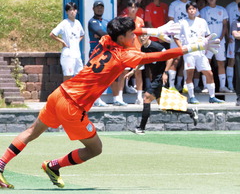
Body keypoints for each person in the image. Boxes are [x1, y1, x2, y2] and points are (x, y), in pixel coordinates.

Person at [0, 16, 218, 189]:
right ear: (122, 37)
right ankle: (53, 165)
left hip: (60, 94)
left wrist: (154, 31)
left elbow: (129, 33)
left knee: (32, 131)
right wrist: (197, 46)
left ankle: (0, 166)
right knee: (95, 148)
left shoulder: (106, 39)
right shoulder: (124, 57)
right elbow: (160, 56)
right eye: (131, 34)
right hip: (73, 106)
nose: (134, 35)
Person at [132, 34, 199, 135]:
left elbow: (170, 58)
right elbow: (143, 60)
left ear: (148, 37)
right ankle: (190, 111)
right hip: (155, 77)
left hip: (160, 77)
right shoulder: (143, 48)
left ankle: (141, 128)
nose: (142, 38)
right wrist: (133, 71)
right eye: (140, 36)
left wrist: (165, 73)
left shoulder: (157, 47)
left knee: (146, 98)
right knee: (164, 105)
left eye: (144, 36)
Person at [175, 2, 224, 104]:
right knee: (190, 74)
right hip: (189, 52)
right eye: (190, 9)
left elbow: (207, 36)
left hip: (201, 53)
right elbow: (176, 37)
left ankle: (212, 97)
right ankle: (192, 97)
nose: (192, 10)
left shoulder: (202, 21)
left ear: (197, 10)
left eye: (194, 9)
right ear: (186, 11)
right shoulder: (182, 22)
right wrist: (182, 48)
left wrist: (206, 46)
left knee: (209, 73)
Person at [200, 0, 231, 93]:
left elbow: (225, 25)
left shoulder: (222, 10)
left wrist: (222, 37)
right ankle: (205, 86)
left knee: (221, 63)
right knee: (206, 63)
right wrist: (206, 38)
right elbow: (201, 26)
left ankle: (222, 86)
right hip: (208, 42)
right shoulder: (203, 11)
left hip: (220, 41)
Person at [168, 0, 195, 91]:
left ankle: (183, 84)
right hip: (176, 36)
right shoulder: (174, 5)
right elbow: (170, 20)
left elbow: (196, 20)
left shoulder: (192, 4)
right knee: (175, 60)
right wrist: (174, 34)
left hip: (188, 37)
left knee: (187, 60)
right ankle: (171, 85)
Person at [50, 2, 84, 82]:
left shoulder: (78, 23)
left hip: (77, 54)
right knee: (68, 77)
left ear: (76, 11)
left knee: (79, 76)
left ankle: (75, 94)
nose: (72, 12)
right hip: (68, 54)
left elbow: (82, 34)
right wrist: (62, 41)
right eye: (70, 10)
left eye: (74, 9)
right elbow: (52, 34)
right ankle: (65, 94)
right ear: (67, 12)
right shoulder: (64, 23)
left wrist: (77, 41)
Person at [87, 1, 109, 107]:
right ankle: (95, 99)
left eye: (101, 7)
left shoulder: (106, 22)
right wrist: (104, 35)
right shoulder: (92, 22)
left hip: (104, 53)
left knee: (101, 77)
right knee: (95, 77)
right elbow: (102, 33)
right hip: (95, 52)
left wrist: (104, 36)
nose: (99, 9)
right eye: (97, 7)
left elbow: (109, 34)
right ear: (93, 9)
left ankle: (97, 98)